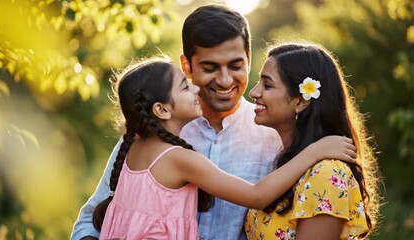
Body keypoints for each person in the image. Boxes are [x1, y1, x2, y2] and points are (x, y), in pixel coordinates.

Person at [70, 5, 353, 240]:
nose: (225, 80)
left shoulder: (274, 135)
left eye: (235, 65)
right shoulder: (147, 135)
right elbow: (91, 220)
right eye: (209, 68)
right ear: (187, 67)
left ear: (248, 59)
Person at [244, 42, 381, 239]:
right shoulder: (288, 163)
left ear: (300, 101)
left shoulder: (326, 174)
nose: (254, 92)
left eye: (267, 85)